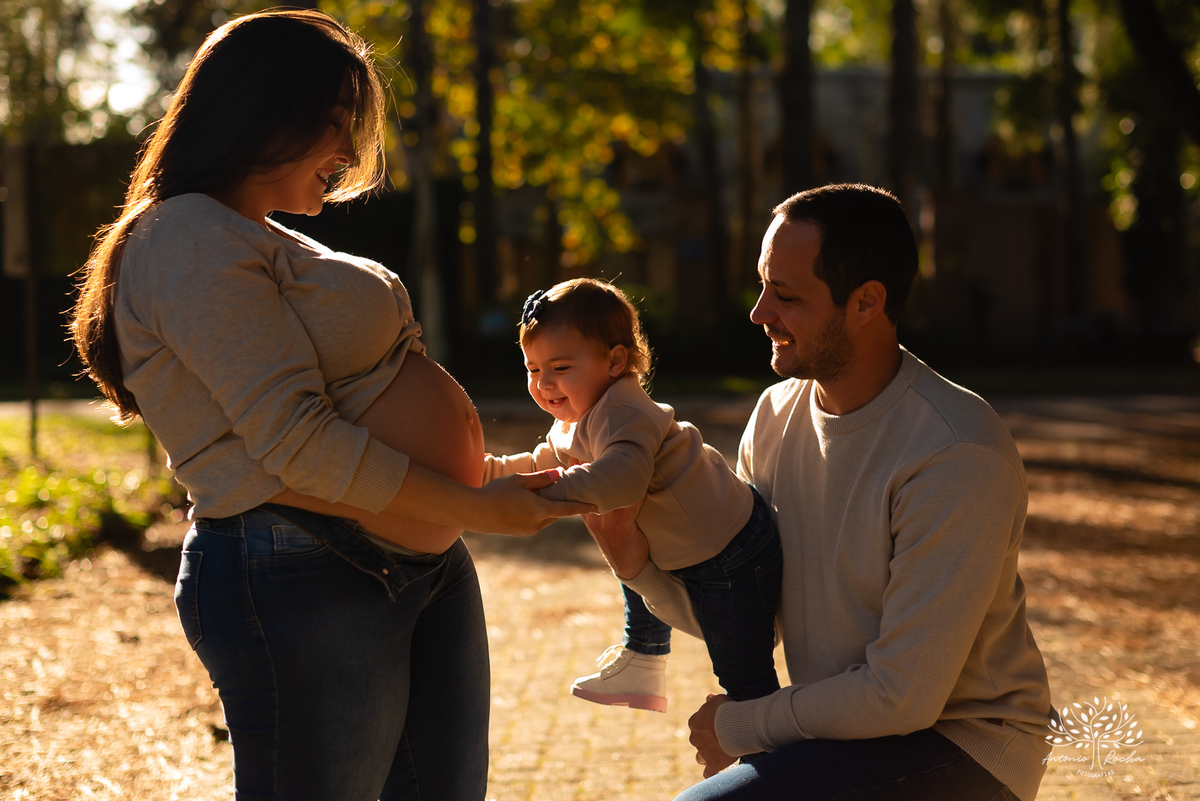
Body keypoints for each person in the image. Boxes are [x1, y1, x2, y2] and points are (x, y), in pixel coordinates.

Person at [69, 10, 588, 800]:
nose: (348, 154)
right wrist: (472, 506)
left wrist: (495, 475)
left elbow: (354, 411)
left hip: (408, 563)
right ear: (262, 107)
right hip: (304, 569)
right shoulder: (184, 236)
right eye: (336, 124)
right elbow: (294, 438)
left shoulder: (267, 236)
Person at [583, 184, 1055, 801]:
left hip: (965, 749)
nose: (758, 312)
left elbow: (902, 695)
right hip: (850, 733)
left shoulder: (954, 453)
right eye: (761, 285)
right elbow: (746, 612)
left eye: (785, 295)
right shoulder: (776, 416)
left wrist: (744, 725)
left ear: (866, 303)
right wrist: (635, 564)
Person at [482, 278, 782, 713]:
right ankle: (643, 656)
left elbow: (620, 481)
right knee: (629, 549)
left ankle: (766, 739)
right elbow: (538, 461)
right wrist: (482, 473)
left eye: (561, 368)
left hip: (732, 548)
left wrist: (551, 491)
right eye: (533, 369)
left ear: (616, 361)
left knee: (741, 668)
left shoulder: (623, 409)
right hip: (690, 546)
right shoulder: (575, 419)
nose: (544, 383)